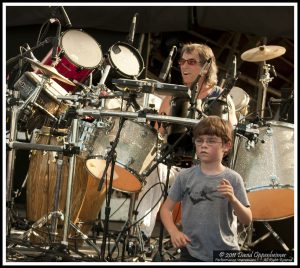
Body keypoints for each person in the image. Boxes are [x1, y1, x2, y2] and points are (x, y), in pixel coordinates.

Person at [136, 43, 238, 240]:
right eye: (182, 61)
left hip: (209, 169)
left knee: (228, 181)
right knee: (153, 172)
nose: (184, 66)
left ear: (206, 67)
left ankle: (225, 244)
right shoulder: (174, 95)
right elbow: (158, 132)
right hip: (176, 166)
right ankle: (141, 234)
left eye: (191, 62)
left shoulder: (222, 98)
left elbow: (230, 138)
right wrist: (156, 124)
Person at [160, 115, 252, 262]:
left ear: (227, 145)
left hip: (225, 252)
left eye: (211, 141)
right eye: (199, 140)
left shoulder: (233, 178)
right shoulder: (185, 176)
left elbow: (246, 220)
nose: (203, 145)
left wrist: (233, 199)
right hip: (191, 250)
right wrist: (174, 232)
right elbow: (165, 210)